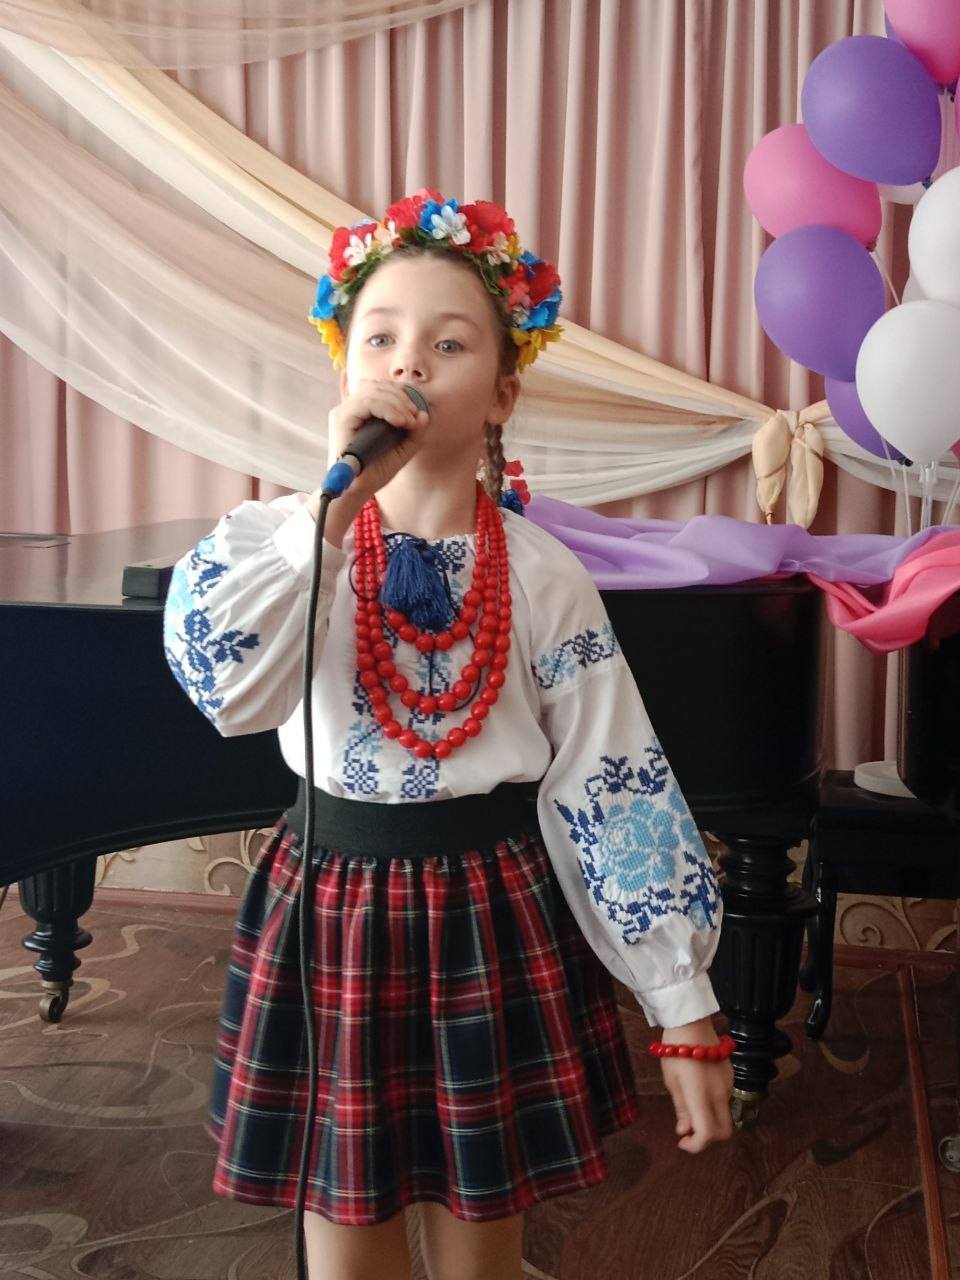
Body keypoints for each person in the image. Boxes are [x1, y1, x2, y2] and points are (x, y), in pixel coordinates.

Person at [163, 189, 734, 1280]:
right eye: (379, 338)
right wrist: (331, 512)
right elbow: (227, 688)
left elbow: (611, 780)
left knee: (482, 1236)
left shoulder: (542, 574)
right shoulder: (280, 546)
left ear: (505, 391)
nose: (409, 364)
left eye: (449, 342)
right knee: (347, 1231)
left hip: (489, 910)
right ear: (345, 373)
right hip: (333, 908)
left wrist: (682, 1000)